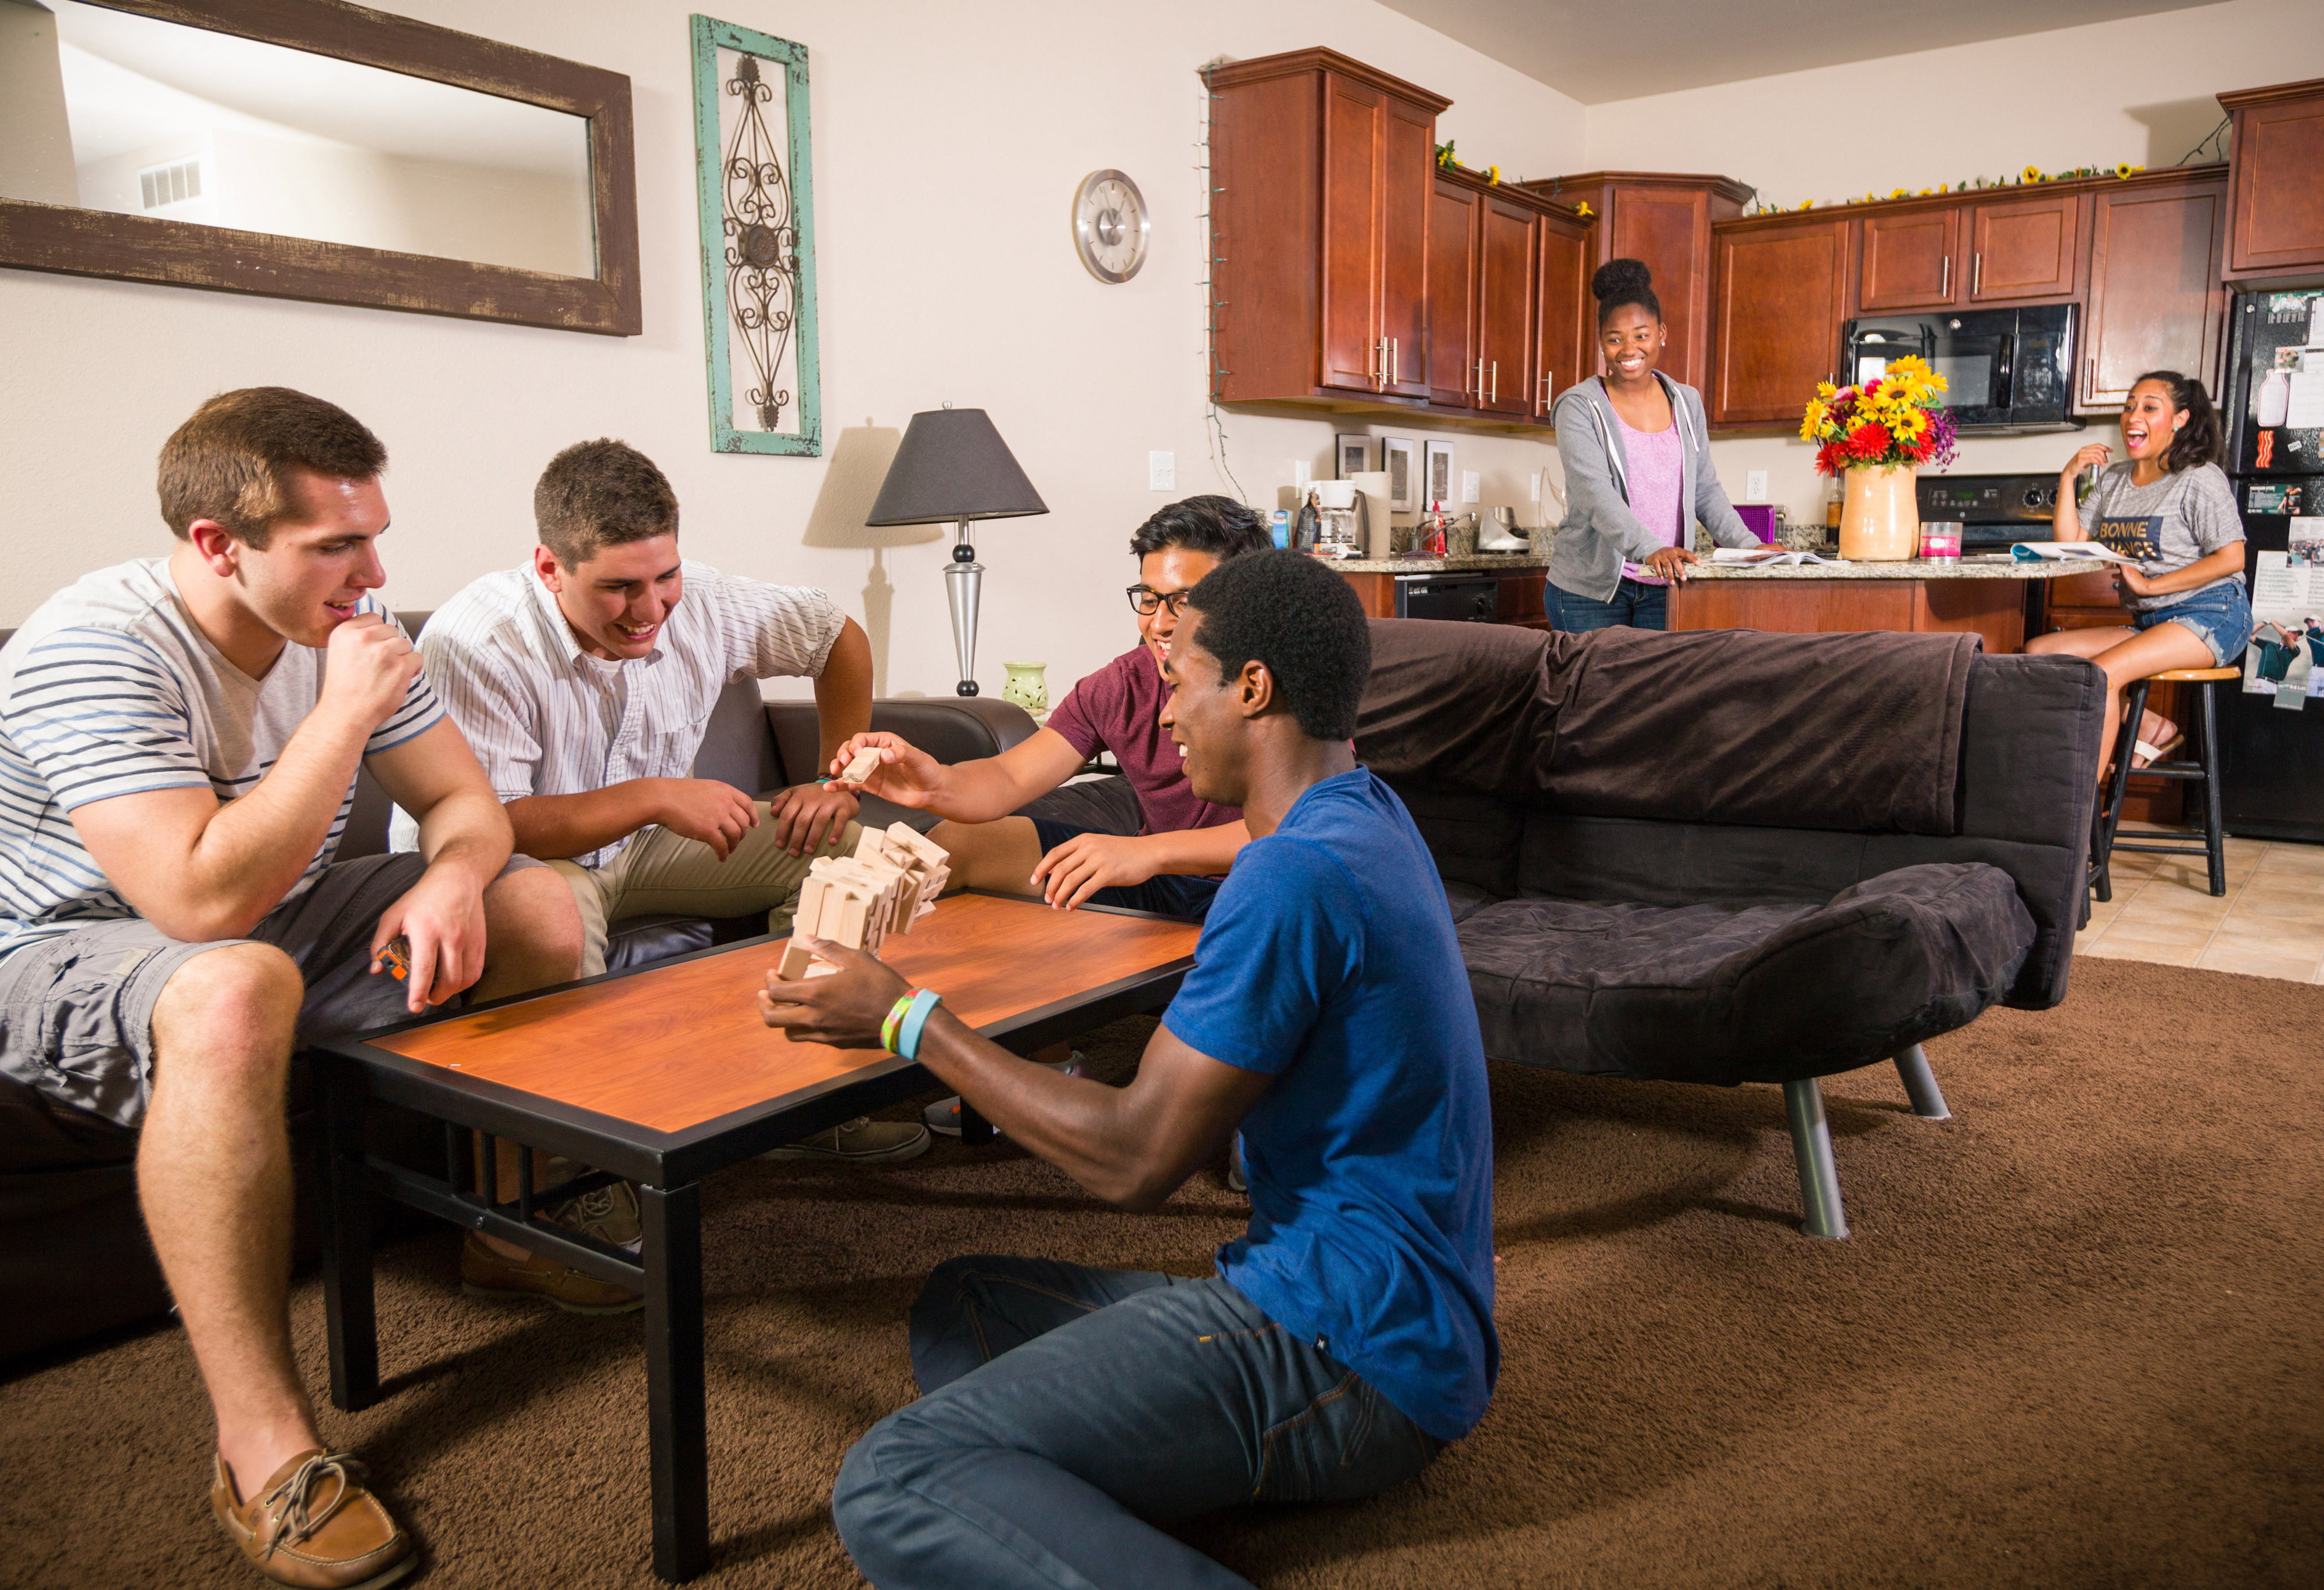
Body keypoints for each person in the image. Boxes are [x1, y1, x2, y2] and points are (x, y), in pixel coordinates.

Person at [762, 550, 1497, 1590]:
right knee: (966, 1302)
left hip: (1352, 1347)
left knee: (894, 1475)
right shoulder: (1365, 808)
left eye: (1181, 682)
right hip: (1402, 1311)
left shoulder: (1292, 878)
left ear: (1252, 689)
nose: (1165, 716)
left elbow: (1135, 1159)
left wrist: (909, 1019)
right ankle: (1076, 1509)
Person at [0, 388, 583, 1590]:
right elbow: (196, 906)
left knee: (536, 902)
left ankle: (501, 1230)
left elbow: (469, 810)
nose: (373, 574)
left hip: (257, 920)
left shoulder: (345, 628)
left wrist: (456, 883)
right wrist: (346, 712)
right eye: (336, 546)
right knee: (231, 986)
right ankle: (261, 1446)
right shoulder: (91, 643)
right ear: (218, 544)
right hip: (63, 946)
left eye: (373, 537)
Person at [404, 439, 928, 1212]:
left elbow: (837, 636)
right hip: (517, 860)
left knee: (856, 857)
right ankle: (552, 1197)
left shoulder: (706, 600)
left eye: (665, 578)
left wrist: (832, 780)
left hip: (644, 848)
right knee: (543, 910)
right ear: (549, 568)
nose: (649, 611)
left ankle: (803, 1100)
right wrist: (653, 797)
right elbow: (488, 825)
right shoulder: (479, 641)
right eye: (618, 589)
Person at [830, 495, 1268, 1140]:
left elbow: (1303, 827)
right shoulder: (1117, 685)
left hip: (1258, 891)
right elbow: (1009, 777)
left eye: (1183, 599)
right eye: (1147, 597)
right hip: (1163, 883)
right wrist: (931, 783)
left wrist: (1148, 851)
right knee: (961, 842)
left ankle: (1264, 1107)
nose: (1159, 621)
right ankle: (1031, 1063)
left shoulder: (1273, 681)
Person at [2025, 370, 2248, 782]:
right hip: (2152, 619)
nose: (2133, 416)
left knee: (2103, 676)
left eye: (2149, 407)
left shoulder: (2198, 477)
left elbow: (2233, 558)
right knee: (2040, 655)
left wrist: (2150, 586)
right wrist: (2068, 477)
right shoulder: (2114, 480)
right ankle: (2149, 727)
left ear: (2180, 419)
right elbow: (2069, 545)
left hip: (2212, 613)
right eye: (2129, 407)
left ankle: (2081, 810)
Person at [1544, 258, 1764, 630]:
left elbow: (1705, 490)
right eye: (1615, 338)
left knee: (1659, 690)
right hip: (1589, 593)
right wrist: (1649, 548)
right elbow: (1595, 494)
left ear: (1662, 333)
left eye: (1641, 335)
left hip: (1668, 584)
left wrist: (1752, 548)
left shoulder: (1686, 401)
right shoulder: (1578, 406)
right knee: (1594, 690)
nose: (1629, 349)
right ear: (1602, 343)